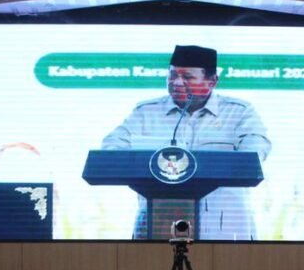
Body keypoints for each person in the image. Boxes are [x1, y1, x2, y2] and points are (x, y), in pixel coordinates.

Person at [102, 45, 270, 241]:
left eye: (188, 77)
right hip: (158, 226)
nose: (177, 82)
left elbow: (255, 151)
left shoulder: (239, 112)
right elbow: (111, 149)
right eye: (172, 75)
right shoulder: (146, 112)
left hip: (223, 231)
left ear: (212, 81)